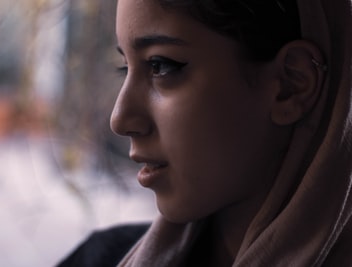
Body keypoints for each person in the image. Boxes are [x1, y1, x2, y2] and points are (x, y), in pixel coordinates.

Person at [57, 0, 352, 266]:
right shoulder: (101, 258)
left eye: (161, 66)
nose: (120, 120)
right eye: (124, 68)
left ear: (291, 84)